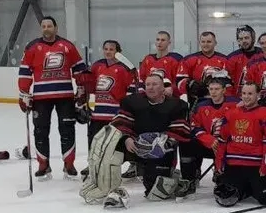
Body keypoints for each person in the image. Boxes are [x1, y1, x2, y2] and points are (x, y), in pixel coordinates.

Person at [17, 16, 90, 180]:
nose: (46, 29)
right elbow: (25, 71)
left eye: (49, 26)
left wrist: (81, 89)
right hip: (41, 98)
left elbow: (79, 68)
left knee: (67, 130)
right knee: (40, 131)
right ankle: (43, 165)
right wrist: (24, 94)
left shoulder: (67, 46)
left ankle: (69, 164)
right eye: (43, 26)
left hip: (65, 96)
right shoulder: (32, 47)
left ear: (56, 28)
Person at [107, 74, 192, 201]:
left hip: (159, 151)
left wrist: (163, 144)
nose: (150, 87)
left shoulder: (177, 105)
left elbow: (179, 130)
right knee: (109, 146)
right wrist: (126, 138)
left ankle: (174, 177)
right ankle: (109, 189)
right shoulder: (132, 101)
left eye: (155, 84)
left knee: (155, 194)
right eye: (148, 84)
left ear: (163, 88)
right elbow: (120, 123)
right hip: (134, 145)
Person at [214, 82, 266, 207]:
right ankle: (246, 188)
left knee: (264, 199)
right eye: (244, 93)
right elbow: (222, 140)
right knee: (226, 196)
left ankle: (251, 188)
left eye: (250, 93)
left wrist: (265, 167)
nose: (246, 96)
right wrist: (219, 163)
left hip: (255, 165)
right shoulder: (231, 114)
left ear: (258, 95)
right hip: (234, 164)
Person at [83, 40, 137, 176]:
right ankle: (93, 163)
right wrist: (84, 100)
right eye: (106, 49)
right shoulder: (97, 66)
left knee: (119, 141)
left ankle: (131, 164)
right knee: (94, 139)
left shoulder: (124, 68)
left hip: (116, 114)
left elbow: (131, 90)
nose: (108, 51)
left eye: (111, 49)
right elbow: (90, 85)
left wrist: (128, 110)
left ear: (118, 52)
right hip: (98, 113)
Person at [180, 78, 239, 194]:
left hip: (229, 146)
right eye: (211, 89)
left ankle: (221, 173)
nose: (213, 92)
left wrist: (224, 142)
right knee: (185, 143)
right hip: (210, 145)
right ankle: (189, 180)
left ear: (224, 90)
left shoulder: (235, 104)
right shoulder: (201, 106)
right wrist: (209, 139)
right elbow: (194, 126)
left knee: (226, 184)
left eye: (217, 89)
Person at [176, 31, 232, 103]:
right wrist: (190, 85)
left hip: (220, 101)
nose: (206, 44)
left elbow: (231, 83)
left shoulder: (225, 60)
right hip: (197, 100)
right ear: (199, 43)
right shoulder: (188, 60)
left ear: (215, 43)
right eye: (203, 42)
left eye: (209, 42)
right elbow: (179, 81)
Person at [139, 30, 183, 98]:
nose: (159, 42)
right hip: (150, 97)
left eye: (163, 40)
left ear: (169, 43)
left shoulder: (176, 59)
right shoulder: (148, 59)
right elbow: (142, 78)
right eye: (158, 39)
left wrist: (171, 89)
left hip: (170, 98)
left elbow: (179, 79)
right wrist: (142, 91)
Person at [226, 25, 262, 96]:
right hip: (238, 98)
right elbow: (227, 81)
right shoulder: (231, 58)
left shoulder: (263, 55)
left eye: (246, 38)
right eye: (241, 39)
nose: (244, 41)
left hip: (259, 98)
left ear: (253, 38)